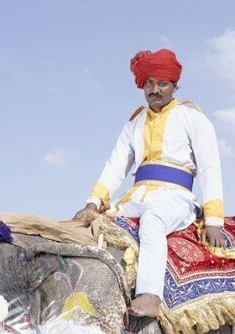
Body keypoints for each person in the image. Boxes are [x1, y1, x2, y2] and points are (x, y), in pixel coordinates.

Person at [73, 48, 224, 318]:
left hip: (176, 197)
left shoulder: (193, 118)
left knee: (153, 221)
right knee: (94, 225)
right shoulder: (134, 124)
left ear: (175, 85)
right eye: (149, 83)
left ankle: (149, 295)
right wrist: (92, 203)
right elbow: (115, 167)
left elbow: (210, 167)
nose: (155, 89)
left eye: (162, 83)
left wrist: (214, 221)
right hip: (137, 196)